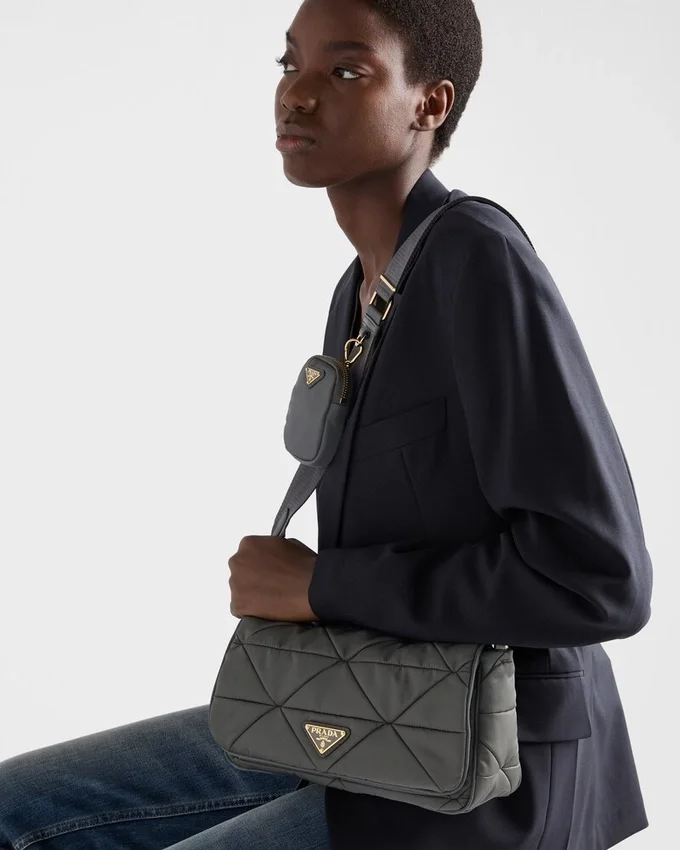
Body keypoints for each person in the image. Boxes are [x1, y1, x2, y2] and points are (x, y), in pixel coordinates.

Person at [0, 0, 653, 848]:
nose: (298, 94)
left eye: (345, 71)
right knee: (15, 810)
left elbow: (599, 578)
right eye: (290, 64)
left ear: (430, 103)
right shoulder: (362, 291)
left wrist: (319, 587)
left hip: (489, 761)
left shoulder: (477, 259)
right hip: (371, 713)